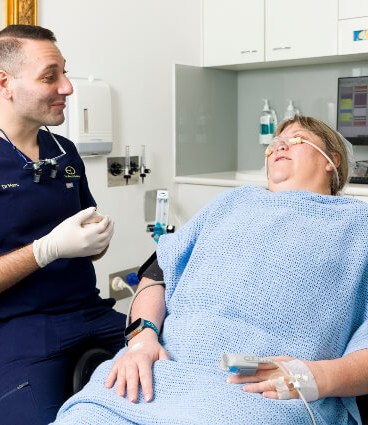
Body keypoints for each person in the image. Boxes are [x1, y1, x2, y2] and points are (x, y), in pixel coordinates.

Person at [53, 116, 368, 425]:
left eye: (296, 139)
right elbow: (156, 274)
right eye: (274, 143)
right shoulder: (231, 203)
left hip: (257, 391)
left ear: (333, 160)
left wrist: (317, 378)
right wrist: (139, 340)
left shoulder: (357, 224)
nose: (279, 146)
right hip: (156, 372)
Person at [0, 25, 126, 425]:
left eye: (64, 73)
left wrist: (94, 242)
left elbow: (85, 245)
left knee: (189, 376)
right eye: (50, 76)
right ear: (4, 82)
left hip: (90, 313)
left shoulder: (63, 151)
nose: (67, 87)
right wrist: (44, 250)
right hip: (8, 331)